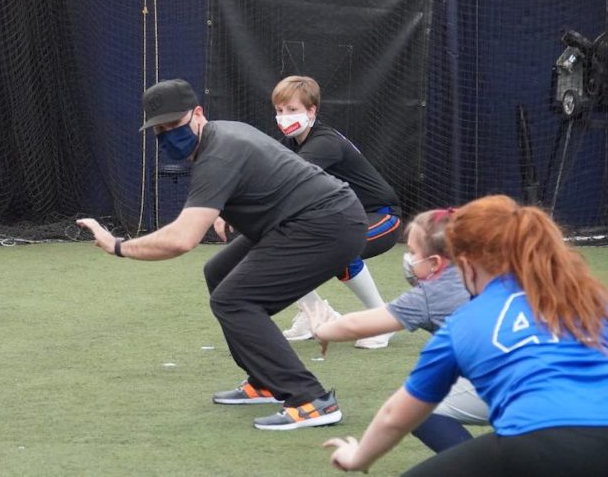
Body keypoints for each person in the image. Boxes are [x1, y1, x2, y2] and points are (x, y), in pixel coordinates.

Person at [77, 78, 368, 430]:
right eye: (160, 129)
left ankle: (311, 400)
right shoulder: (218, 137)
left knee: (234, 300)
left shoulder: (218, 152)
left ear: (198, 114)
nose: (169, 135)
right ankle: (265, 381)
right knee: (219, 273)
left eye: (175, 124)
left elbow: (182, 239)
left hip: (328, 224)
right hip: (298, 220)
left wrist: (117, 246)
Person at [324, 195, 608, 475]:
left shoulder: (464, 320)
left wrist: (358, 458)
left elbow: (397, 415)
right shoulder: (586, 297)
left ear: (466, 262)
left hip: (543, 442)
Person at [302, 208, 489, 452]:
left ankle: (475, 466)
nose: (408, 259)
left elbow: (355, 325)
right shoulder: (494, 268)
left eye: (412, 252)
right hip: (548, 369)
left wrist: (321, 329)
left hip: (511, 380)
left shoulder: (431, 296)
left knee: (414, 408)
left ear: (434, 262)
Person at [271, 76, 402, 348]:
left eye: (292, 110)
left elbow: (282, 180)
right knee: (279, 243)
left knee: (338, 245)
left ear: (312, 111)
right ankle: (314, 314)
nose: (284, 117)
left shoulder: (324, 142)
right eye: (280, 111)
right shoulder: (293, 142)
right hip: (345, 219)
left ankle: (383, 320)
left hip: (383, 217)